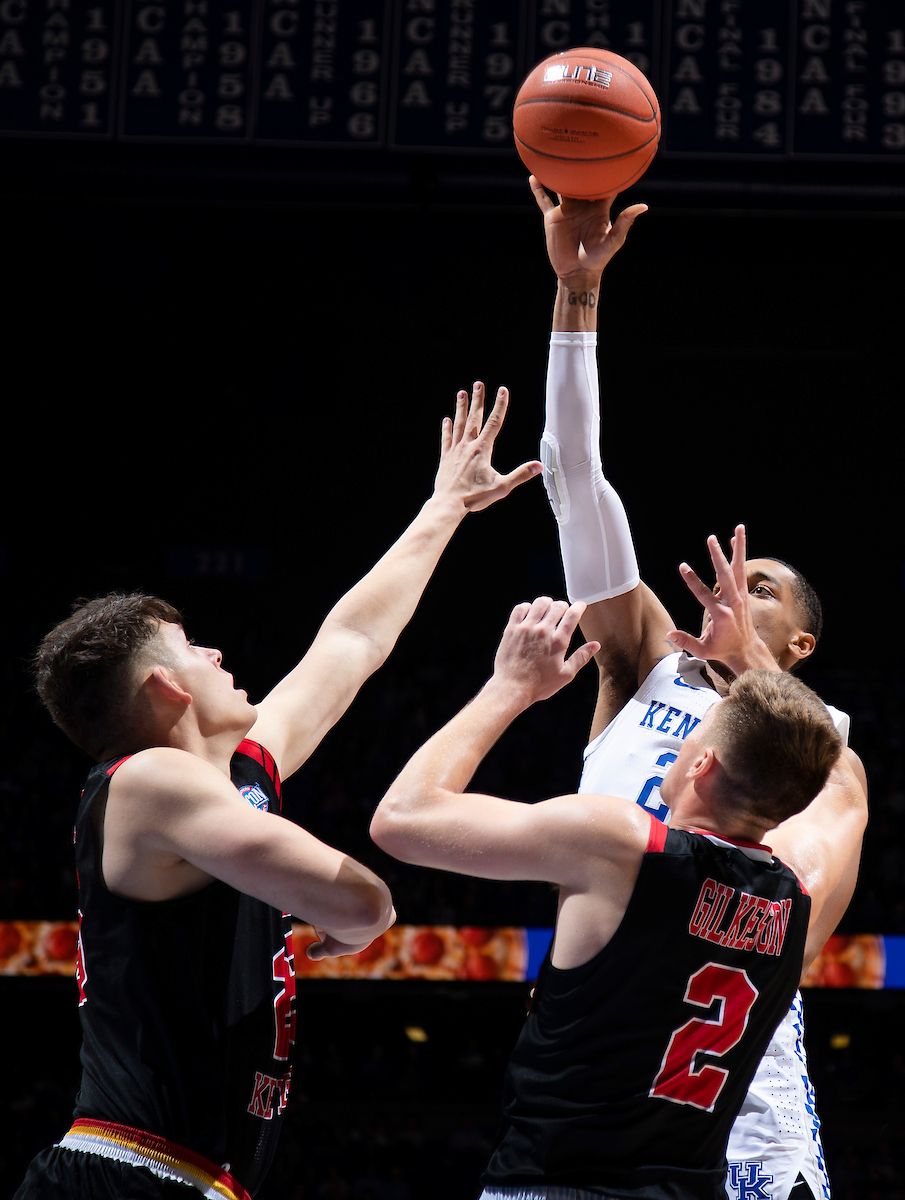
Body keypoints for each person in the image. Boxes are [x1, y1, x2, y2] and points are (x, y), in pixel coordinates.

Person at [15, 383, 542, 1200]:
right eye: (195, 647)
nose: (219, 652)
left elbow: (353, 640)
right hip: (125, 1174)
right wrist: (356, 920)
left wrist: (445, 507)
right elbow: (361, 897)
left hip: (197, 1179)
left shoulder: (233, 777)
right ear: (167, 687)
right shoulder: (148, 782)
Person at [531, 177, 868, 1200]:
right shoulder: (641, 659)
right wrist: (575, 297)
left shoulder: (823, 749)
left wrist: (752, 679)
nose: (731, 581)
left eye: (757, 586)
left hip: (736, 1096)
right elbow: (573, 480)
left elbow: (803, 918)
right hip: (590, 1066)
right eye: (729, 570)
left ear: (798, 644)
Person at [368, 568, 868, 1200]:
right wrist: (751, 661)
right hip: (714, 1173)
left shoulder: (619, 844)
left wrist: (510, 688)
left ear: (702, 762)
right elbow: (842, 783)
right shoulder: (800, 894)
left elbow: (404, 819)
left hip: (557, 1180)